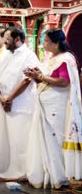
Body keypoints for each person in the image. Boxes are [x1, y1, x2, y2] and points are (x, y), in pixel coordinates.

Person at [24, 28, 82, 189]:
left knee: (56, 139)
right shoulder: (50, 58)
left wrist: (41, 76)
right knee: (47, 139)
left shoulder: (65, 59)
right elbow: (45, 80)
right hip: (45, 104)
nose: (43, 44)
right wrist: (35, 76)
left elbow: (64, 81)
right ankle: (51, 175)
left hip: (57, 105)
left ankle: (62, 177)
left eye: (46, 41)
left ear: (56, 43)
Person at [0, 26, 40, 181]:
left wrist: (10, 98)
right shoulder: (5, 55)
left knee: (19, 140)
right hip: (4, 102)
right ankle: (4, 170)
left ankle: (21, 172)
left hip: (21, 104)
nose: (5, 42)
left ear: (18, 39)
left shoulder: (29, 56)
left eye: (7, 39)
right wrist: (1, 98)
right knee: (5, 140)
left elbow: (27, 80)